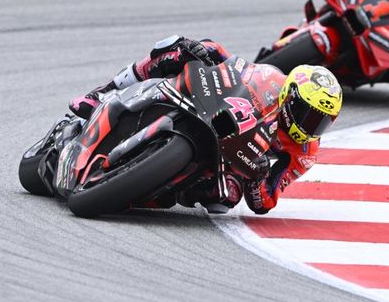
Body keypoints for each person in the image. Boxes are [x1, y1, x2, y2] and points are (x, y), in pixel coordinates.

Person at [69, 35, 343, 215]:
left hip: (235, 161)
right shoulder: (272, 79)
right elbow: (237, 67)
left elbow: (266, 201)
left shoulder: (304, 154)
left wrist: (259, 177)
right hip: (216, 108)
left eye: (320, 121)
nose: (311, 126)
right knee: (182, 47)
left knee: (225, 199)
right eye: (308, 114)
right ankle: (102, 93)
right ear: (290, 95)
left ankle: (148, 190)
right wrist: (204, 52)